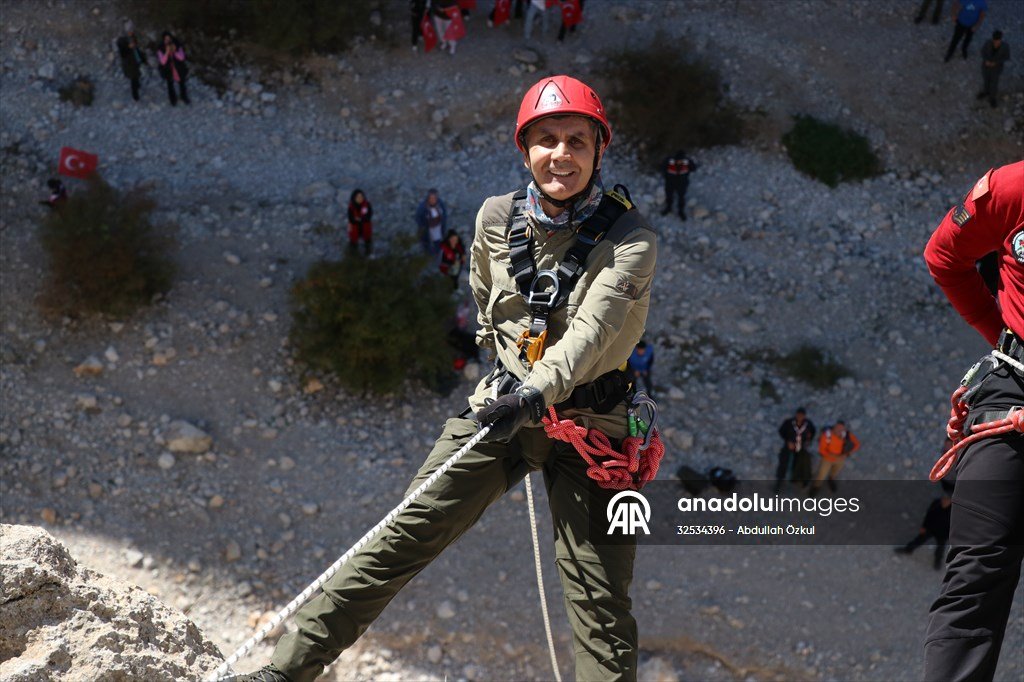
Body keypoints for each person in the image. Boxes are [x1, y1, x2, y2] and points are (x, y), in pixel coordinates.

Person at [241, 74, 657, 682]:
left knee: (600, 599)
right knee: (402, 533)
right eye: (546, 140)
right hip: (504, 405)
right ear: (525, 150)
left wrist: (536, 391)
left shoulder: (634, 240)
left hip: (598, 426)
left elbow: (596, 331)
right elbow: (490, 309)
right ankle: (286, 671)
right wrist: (513, 381)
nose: (560, 155)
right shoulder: (496, 219)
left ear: (599, 150)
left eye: (576, 140)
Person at [921, 161, 1024, 682]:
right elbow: (945, 258)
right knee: (975, 576)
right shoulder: (1012, 189)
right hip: (1014, 393)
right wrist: (1001, 340)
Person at [895, 479, 954, 571]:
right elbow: (928, 515)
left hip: (943, 533)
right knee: (918, 540)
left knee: (940, 549)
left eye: (946, 500)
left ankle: (937, 562)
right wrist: (924, 526)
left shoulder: (954, 511)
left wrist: (949, 535)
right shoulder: (936, 503)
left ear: (950, 501)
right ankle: (907, 550)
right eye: (943, 498)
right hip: (931, 528)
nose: (944, 501)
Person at [809, 420, 860, 495]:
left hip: (840, 459)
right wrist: (832, 456)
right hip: (827, 459)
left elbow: (857, 444)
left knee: (835, 471)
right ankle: (816, 487)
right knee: (822, 474)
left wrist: (847, 454)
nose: (839, 431)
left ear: (844, 429)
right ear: (834, 428)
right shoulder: (827, 435)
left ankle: (831, 479)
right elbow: (822, 450)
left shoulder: (846, 434)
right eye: (837, 428)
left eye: (841, 429)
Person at [775, 407, 816, 493]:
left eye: (802, 415)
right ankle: (779, 481)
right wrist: (788, 441)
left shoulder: (808, 424)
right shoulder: (789, 422)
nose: (800, 417)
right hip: (790, 444)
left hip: (801, 445)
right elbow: (781, 431)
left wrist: (809, 439)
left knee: (802, 461)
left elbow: (813, 431)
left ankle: (798, 478)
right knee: (783, 461)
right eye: (798, 415)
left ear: (804, 416)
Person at [115, 19, 147, 101]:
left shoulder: (133, 37)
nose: (131, 31)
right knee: (133, 77)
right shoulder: (122, 40)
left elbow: (137, 48)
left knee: (137, 76)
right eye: (129, 29)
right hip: (129, 63)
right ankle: (135, 96)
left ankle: (137, 87)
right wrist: (129, 47)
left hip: (135, 60)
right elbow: (122, 53)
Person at [977, 30, 1010, 108]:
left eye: (997, 41)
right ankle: (985, 92)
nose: (996, 43)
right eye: (994, 41)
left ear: (1000, 39)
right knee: (986, 80)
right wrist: (986, 60)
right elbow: (982, 52)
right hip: (986, 67)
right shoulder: (988, 43)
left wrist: (996, 63)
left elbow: (1007, 57)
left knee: (994, 83)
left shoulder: (1005, 46)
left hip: (996, 69)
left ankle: (992, 98)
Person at [660, 151, 697, 220]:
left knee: (681, 198)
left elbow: (694, 168)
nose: (679, 161)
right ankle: (668, 208)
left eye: (681, 160)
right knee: (669, 196)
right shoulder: (669, 161)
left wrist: (689, 165)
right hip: (670, 183)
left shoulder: (687, 161)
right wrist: (666, 176)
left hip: (682, 183)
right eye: (678, 160)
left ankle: (681, 211)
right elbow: (662, 168)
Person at [157, 31, 190, 105]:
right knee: (170, 84)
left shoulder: (178, 45)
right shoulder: (160, 48)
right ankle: (173, 99)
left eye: (169, 39)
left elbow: (182, 58)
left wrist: (175, 51)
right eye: (166, 39)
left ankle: (184, 96)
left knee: (182, 83)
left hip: (179, 68)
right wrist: (167, 52)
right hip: (168, 69)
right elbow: (162, 62)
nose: (168, 41)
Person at [415, 188, 447, 257]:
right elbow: (418, 217)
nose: (433, 199)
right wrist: (422, 226)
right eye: (431, 197)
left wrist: (443, 223)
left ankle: (437, 253)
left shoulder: (440, 204)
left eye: (434, 197)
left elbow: (444, 215)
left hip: (438, 227)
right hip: (427, 228)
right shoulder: (423, 207)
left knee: (437, 241)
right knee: (426, 242)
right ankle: (428, 254)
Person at [346, 189, 373, 255]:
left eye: (361, 197)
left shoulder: (367, 205)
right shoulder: (351, 206)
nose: (360, 198)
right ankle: (353, 255)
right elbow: (350, 218)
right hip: (354, 226)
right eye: (358, 197)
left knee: (367, 240)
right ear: (354, 198)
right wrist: (358, 219)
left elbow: (369, 215)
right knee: (353, 242)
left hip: (365, 225)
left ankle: (368, 253)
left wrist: (360, 219)